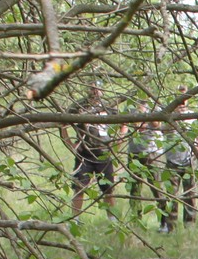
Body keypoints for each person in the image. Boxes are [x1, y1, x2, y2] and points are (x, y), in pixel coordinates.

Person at [64, 85, 117, 215]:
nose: (94, 91)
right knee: (79, 188)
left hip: (104, 154)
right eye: (91, 88)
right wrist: (71, 144)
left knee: (108, 190)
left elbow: (123, 124)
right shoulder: (78, 106)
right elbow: (62, 124)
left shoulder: (109, 106)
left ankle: (113, 221)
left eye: (97, 88)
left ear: (102, 90)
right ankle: (75, 220)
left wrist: (118, 141)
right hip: (84, 155)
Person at [125, 118, 166, 221]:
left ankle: (164, 221)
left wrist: (144, 117)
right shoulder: (130, 107)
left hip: (152, 152)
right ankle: (136, 219)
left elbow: (157, 124)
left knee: (156, 187)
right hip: (133, 152)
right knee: (134, 188)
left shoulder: (154, 105)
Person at [160, 125, 198, 230]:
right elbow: (162, 129)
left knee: (190, 195)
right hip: (172, 163)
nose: (181, 106)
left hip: (189, 162)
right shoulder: (169, 116)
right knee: (171, 195)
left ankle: (189, 225)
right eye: (178, 106)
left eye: (182, 106)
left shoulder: (192, 118)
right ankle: (171, 226)